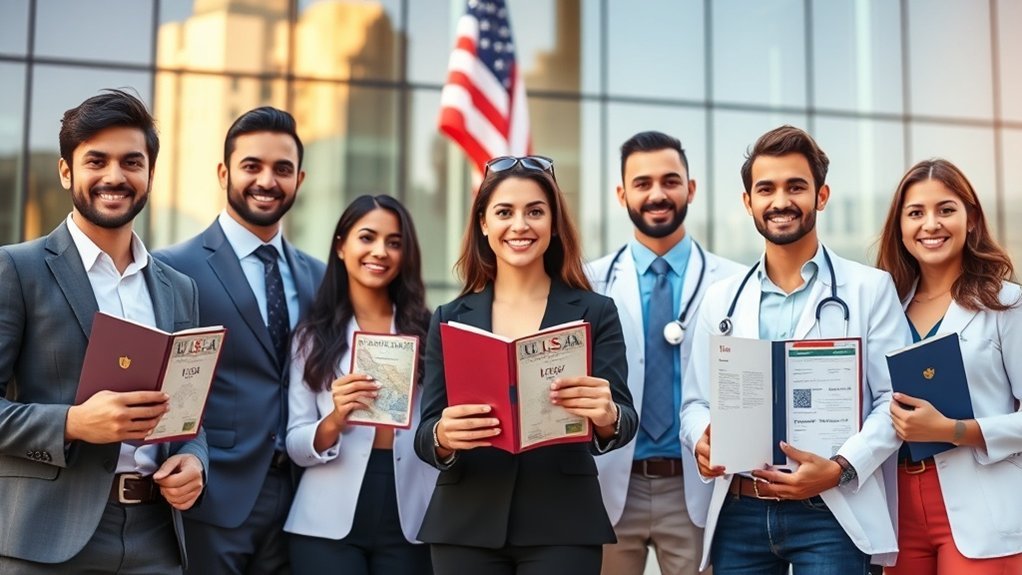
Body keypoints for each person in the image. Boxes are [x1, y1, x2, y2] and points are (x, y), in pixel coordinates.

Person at [679, 125, 910, 574]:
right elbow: (694, 401)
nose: (780, 201)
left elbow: (894, 402)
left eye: (796, 187)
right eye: (766, 188)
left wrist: (842, 466)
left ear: (821, 196)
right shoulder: (720, 298)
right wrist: (703, 438)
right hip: (741, 512)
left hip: (832, 512)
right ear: (748, 202)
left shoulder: (870, 289)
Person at [0, 89, 207, 573]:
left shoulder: (180, 289)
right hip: (44, 541)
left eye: (131, 162)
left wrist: (196, 461)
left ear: (150, 175)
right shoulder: (17, 269)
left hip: (157, 538)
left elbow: (193, 411)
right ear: (66, 171)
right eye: (97, 160)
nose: (115, 176)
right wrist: (73, 423)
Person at [414, 156, 638, 574]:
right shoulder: (449, 317)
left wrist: (607, 417)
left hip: (564, 523)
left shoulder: (596, 312)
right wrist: (444, 434)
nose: (520, 225)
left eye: (535, 211)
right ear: (483, 224)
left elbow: (622, 418)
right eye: (504, 212)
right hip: (465, 524)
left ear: (553, 224)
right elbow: (426, 433)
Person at [155, 107, 326, 574]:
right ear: (224, 172)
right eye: (252, 166)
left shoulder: (318, 276)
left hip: (298, 497)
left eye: (282, 169)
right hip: (212, 495)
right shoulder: (173, 268)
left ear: (300, 179)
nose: (266, 181)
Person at [586, 131, 742, 575]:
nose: (657, 194)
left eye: (671, 181)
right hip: (612, 484)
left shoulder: (733, 284)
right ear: (622, 194)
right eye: (642, 183)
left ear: (690, 189)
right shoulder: (590, 283)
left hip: (695, 484)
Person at [875, 159, 1022, 574]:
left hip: (981, 508)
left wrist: (953, 431)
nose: (931, 224)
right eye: (916, 213)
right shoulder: (884, 309)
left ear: (971, 219)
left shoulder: (1007, 304)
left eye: (946, 209)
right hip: (897, 509)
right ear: (900, 227)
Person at [283, 194, 439, 574]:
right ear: (341, 246)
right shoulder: (312, 337)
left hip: (410, 515)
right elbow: (295, 443)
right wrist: (335, 419)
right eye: (367, 237)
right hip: (324, 520)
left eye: (394, 242)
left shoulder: (430, 330)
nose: (380, 251)